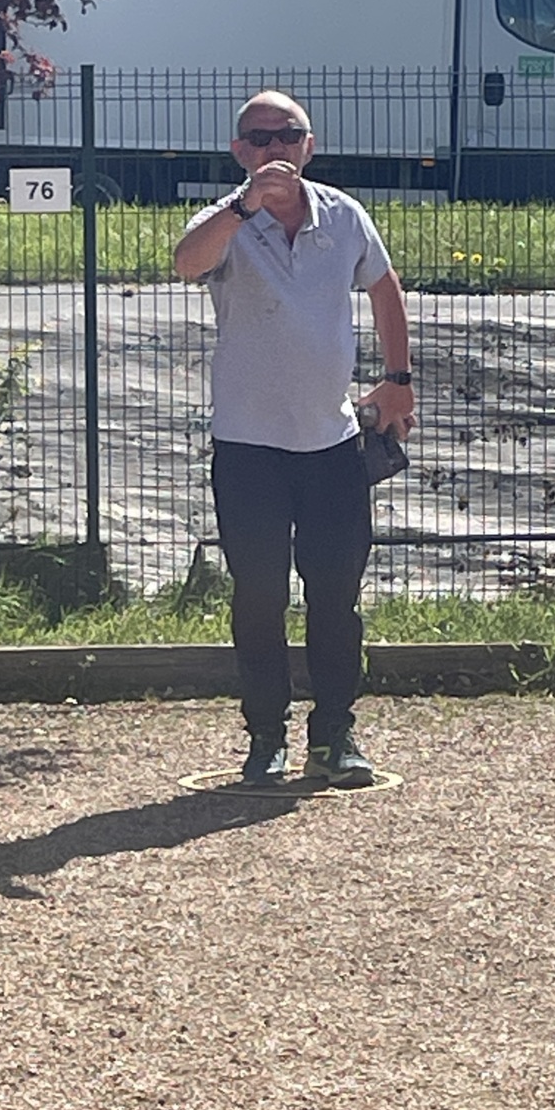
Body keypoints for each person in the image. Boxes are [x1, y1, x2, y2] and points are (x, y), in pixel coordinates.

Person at [174, 90, 415, 787]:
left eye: (287, 134)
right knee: (258, 595)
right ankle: (265, 736)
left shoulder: (344, 215)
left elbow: (385, 288)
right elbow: (186, 264)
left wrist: (397, 379)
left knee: (335, 593)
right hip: (247, 445)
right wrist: (244, 206)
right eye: (259, 138)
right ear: (239, 152)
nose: (274, 147)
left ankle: (335, 732)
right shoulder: (224, 221)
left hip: (330, 443)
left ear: (310, 145)